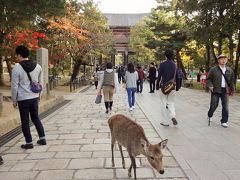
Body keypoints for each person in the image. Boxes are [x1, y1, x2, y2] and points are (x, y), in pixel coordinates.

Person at [11, 45, 47, 149]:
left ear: (19, 55)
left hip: (23, 98)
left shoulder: (16, 69)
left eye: (17, 55)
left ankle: (29, 142)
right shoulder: (38, 66)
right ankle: (42, 138)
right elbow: (41, 83)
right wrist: (40, 95)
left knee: (25, 120)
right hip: (34, 96)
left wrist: (14, 100)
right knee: (36, 118)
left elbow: (14, 86)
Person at [206, 54, 234, 128]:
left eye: (225, 59)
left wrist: (232, 90)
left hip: (225, 90)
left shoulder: (229, 70)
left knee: (225, 106)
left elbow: (231, 81)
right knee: (214, 105)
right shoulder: (213, 69)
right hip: (216, 89)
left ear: (226, 60)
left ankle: (224, 121)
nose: (223, 60)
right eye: (221, 59)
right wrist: (210, 85)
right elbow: (208, 79)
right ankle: (210, 115)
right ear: (218, 60)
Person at [158, 49, 178, 126]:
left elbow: (159, 76)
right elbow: (176, 76)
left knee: (163, 103)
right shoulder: (174, 65)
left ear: (165, 55)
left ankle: (165, 121)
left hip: (164, 87)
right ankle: (173, 116)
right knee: (171, 102)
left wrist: (157, 85)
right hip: (172, 87)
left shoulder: (162, 64)